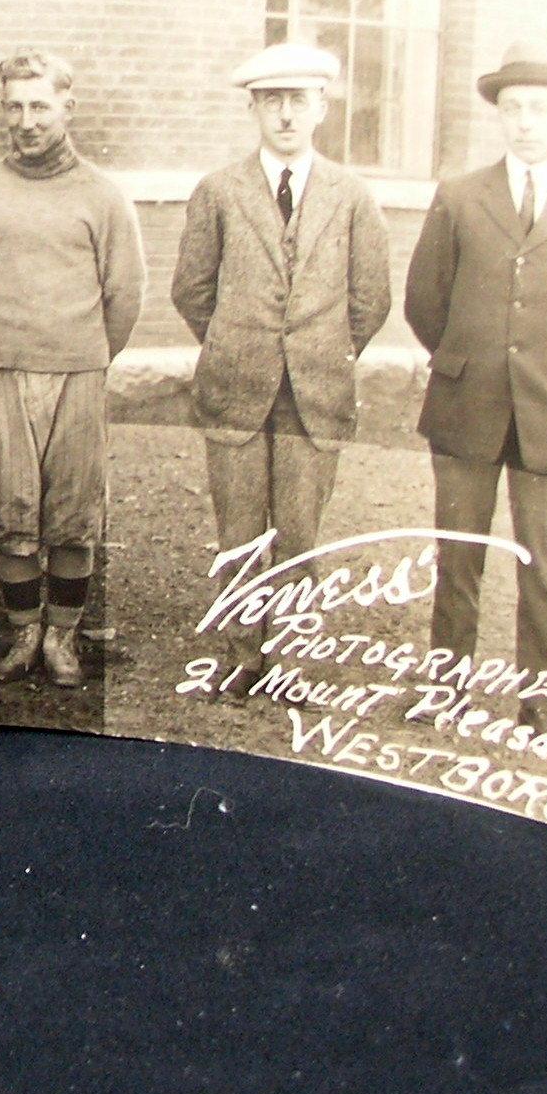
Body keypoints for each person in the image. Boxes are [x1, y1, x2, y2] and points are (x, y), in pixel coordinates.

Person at [405, 42, 547, 736]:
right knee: (458, 558)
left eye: (539, 108)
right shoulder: (458, 197)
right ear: (498, 117)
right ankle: (447, 689)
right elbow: (424, 303)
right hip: (466, 405)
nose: (524, 121)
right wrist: (471, 362)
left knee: (542, 569)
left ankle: (536, 706)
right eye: (511, 108)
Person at [172, 44, 394, 694]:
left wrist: (320, 346)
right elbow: (190, 289)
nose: (286, 115)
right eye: (272, 102)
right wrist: (236, 341)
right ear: (253, 109)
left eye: (298, 101)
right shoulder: (218, 190)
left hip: (313, 391)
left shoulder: (352, 196)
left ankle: (290, 657)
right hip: (236, 387)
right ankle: (244, 653)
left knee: (298, 529)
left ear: (321, 107)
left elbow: (370, 297)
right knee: (239, 528)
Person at [0, 50, 145, 689]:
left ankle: (62, 638)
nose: (27, 120)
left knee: (72, 511)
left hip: (77, 373)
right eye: (15, 106)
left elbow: (124, 294)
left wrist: (86, 356)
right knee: (10, 509)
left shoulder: (102, 195)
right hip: (1, 369)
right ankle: (23, 634)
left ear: (67, 106)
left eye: (40, 106)